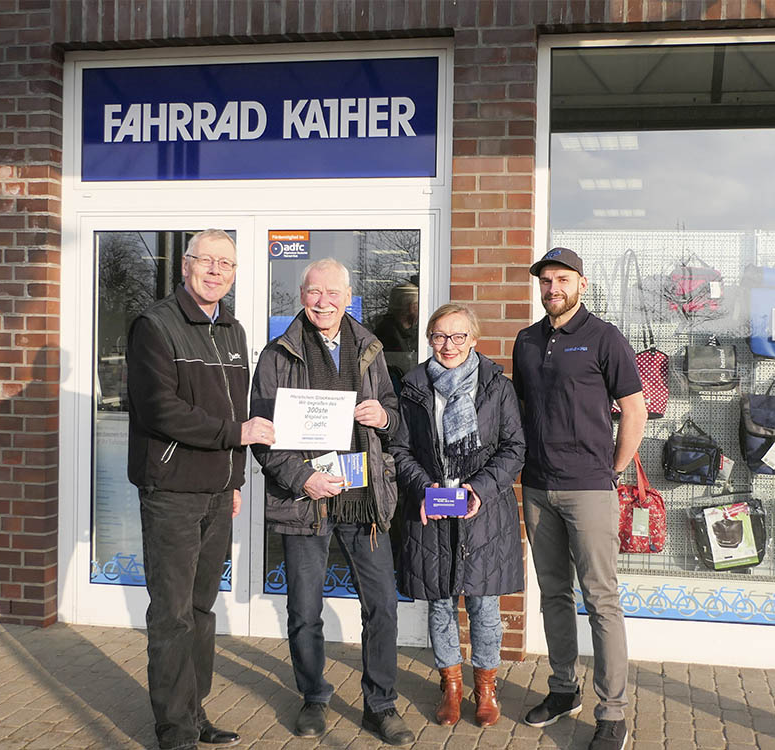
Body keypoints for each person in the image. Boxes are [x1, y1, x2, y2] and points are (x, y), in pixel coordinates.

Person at [249, 258, 415, 746]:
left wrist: (384, 416)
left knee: (382, 605)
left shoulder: (371, 347)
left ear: (348, 297)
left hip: (363, 501)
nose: (322, 302)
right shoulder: (277, 354)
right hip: (306, 500)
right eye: (313, 292)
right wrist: (301, 479)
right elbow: (263, 436)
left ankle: (380, 705)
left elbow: (398, 418)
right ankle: (314, 697)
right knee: (304, 610)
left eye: (332, 293)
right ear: (302, 296)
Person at [127, 229, 276, 750]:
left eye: (226, 264)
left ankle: (194, 713)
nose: (216, 271)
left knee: (201, 611)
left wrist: (233, 479)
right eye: (206, 261)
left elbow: (236, 408)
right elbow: (159, 409)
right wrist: (234, 437)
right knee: (171, 615)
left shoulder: (232, 330)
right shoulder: (155, 325)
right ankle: (174, 731)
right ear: (185, 265)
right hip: (171, 490)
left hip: (217, 493)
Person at [512, 247, 647, 750]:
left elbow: (634, 411)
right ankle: (563, 689)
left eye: (562, 280)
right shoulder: (526, 341)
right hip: (538, 487)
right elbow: (523, 410)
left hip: (589, 487)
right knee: (553, 594)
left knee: (601, 600)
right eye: (545, 281)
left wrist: (611, 470)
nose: (553, 289)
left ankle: (612, 713)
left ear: (581, 284)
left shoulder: (604, 337)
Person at [389, 303, 525, 727]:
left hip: (482, 512)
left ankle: (485, 689)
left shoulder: (497, 387)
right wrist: (424, 488)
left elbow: (514, 448)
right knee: (440, 604)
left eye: (458, 336)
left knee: (484, 604)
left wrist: (478, 488)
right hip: (431, 509)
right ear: (429, 339)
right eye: (439, 337)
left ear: (474, 340)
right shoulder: (412, 387)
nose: (448, 346)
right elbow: (400, 450)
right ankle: (450, 686)